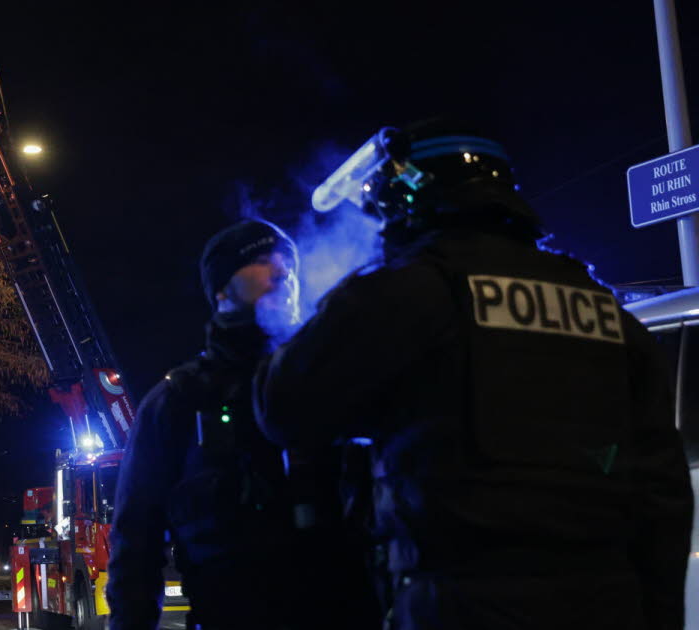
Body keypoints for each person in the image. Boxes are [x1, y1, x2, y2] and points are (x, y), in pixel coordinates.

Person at [256, 120, 694, 630]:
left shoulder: (410, 294)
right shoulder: (608, 315)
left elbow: (281, 406)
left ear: (411, 200)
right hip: (607, 604)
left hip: (464, 606)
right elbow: (663, 497)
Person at [108, 219, 376, 630]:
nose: (284, 272)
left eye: (289, 262)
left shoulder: (332, 380)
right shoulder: (178, 400)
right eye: (263, 260)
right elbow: (135, 541)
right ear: (221, 288)